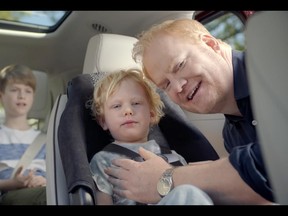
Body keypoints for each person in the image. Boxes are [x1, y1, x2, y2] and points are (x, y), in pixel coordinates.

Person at [104, 19, 276, 205]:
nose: (178, 87)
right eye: (166, 84)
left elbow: (274, 167)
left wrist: (167, 178)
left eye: (179, 65)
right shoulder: (231, 135)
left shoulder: (277, 69)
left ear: (211, 44)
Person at [89, 68, 213, 205]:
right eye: (117, 106)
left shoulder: (173, 157)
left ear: (152, 114)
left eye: (136, 103)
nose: (128, 111)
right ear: (104, 121)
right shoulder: (103, 160)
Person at [0, 64, 46, 205]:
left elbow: (57, 175)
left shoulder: (45, 139)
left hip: (43, 190)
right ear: (1, 96)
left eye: (28, 91)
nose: (22, 96)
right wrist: (13, 183)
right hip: (11, 195)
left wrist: (45, 181)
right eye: (14, 90)